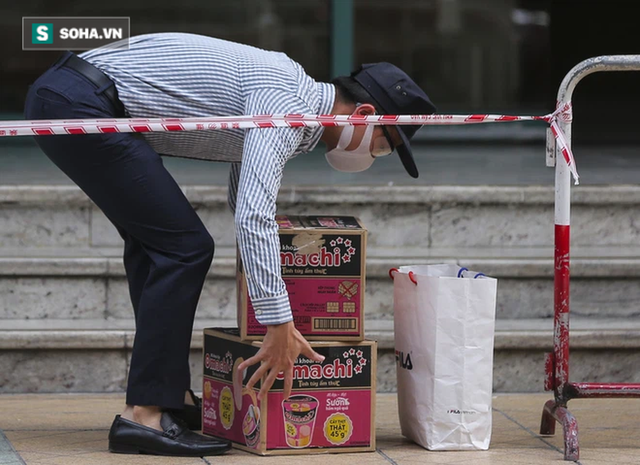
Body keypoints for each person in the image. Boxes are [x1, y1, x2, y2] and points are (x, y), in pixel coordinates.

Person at [23, 32, 436, 457]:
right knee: (184, 248)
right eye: (385, 147)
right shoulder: (287, 105)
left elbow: (246, 198)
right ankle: (142, 415)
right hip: (79, 101)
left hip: (75, 93)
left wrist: (277, 262)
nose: (374, 157)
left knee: (159, 245)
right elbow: (252, 216)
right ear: (365, 114)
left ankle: (166, 398)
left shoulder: (291, 98)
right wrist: (278, 323)